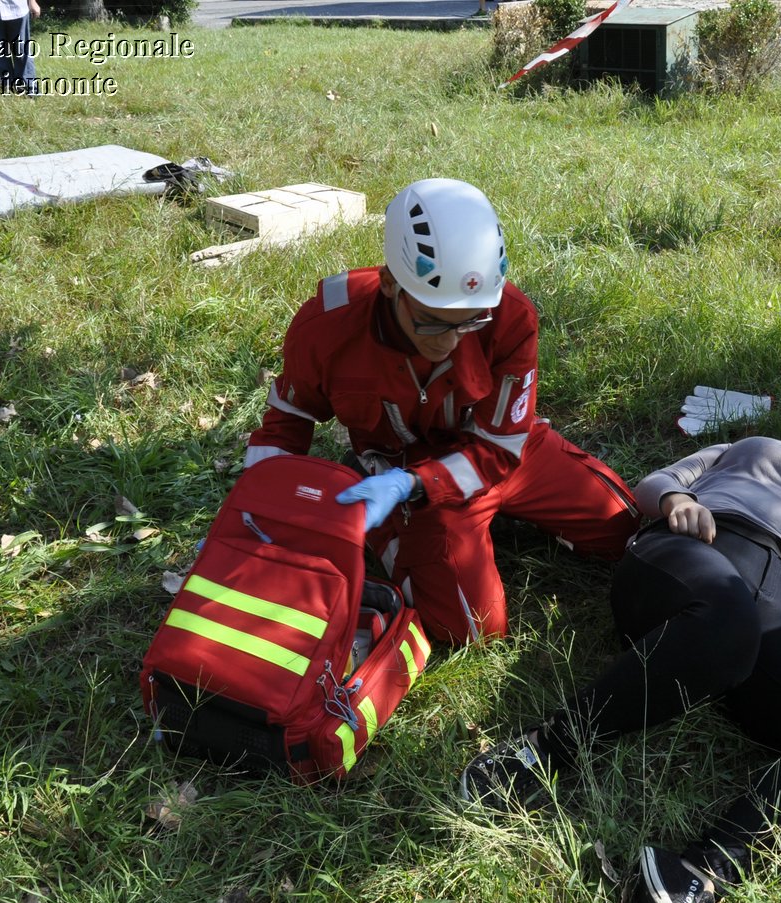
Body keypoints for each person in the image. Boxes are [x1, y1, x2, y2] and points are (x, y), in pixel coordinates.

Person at [459, 417, 781, 903]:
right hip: (694, 551)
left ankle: (697, 874)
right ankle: (545, 750)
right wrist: (674, 499)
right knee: (725, 618)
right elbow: (659, 481)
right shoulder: (749, 447)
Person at [246, 178, 640, 646]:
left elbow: (500, 446)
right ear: (391, 283)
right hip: (408, 465)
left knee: (629, 534)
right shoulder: (329, 325)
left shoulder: (509, 317)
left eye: (468, 323)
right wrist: (254, 516)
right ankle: (389, 532)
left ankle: (447, 520)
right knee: (473, 630)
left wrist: (414, 486)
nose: (450, 341)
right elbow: (287, 421)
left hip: (500, 449)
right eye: (432, 321)